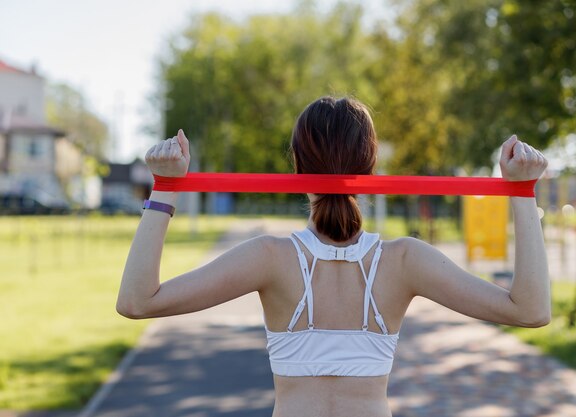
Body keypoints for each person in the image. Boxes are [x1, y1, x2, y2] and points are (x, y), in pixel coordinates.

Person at [117, 96, 550, 417]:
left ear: (298, 170)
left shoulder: (269, 257)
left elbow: (138, 300)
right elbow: (531, 310)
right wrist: (523, 194)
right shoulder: (405, 260)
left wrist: (165, 189)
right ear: (371, 169)